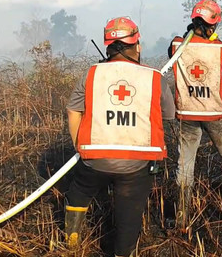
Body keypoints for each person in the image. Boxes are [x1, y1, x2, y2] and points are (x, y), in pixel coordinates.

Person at [65, 16, 175, 257]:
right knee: (129, 215)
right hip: (134, 165)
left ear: (108, 47)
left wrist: (79, 145)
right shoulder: (154, 77)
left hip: (94, 161)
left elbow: (73, 109)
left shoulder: (92, 73)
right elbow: (169, 114)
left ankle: (71, 244)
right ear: (137, 46)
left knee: (79, 191)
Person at [168, 0, 222, 230]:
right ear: (211, 26)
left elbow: (176, 49)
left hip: (187, 112)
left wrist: (188, 34)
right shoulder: (219, 47)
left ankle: (182, 215)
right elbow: (212, 41)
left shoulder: (176, 45)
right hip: (215, 114)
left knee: (185, 164)